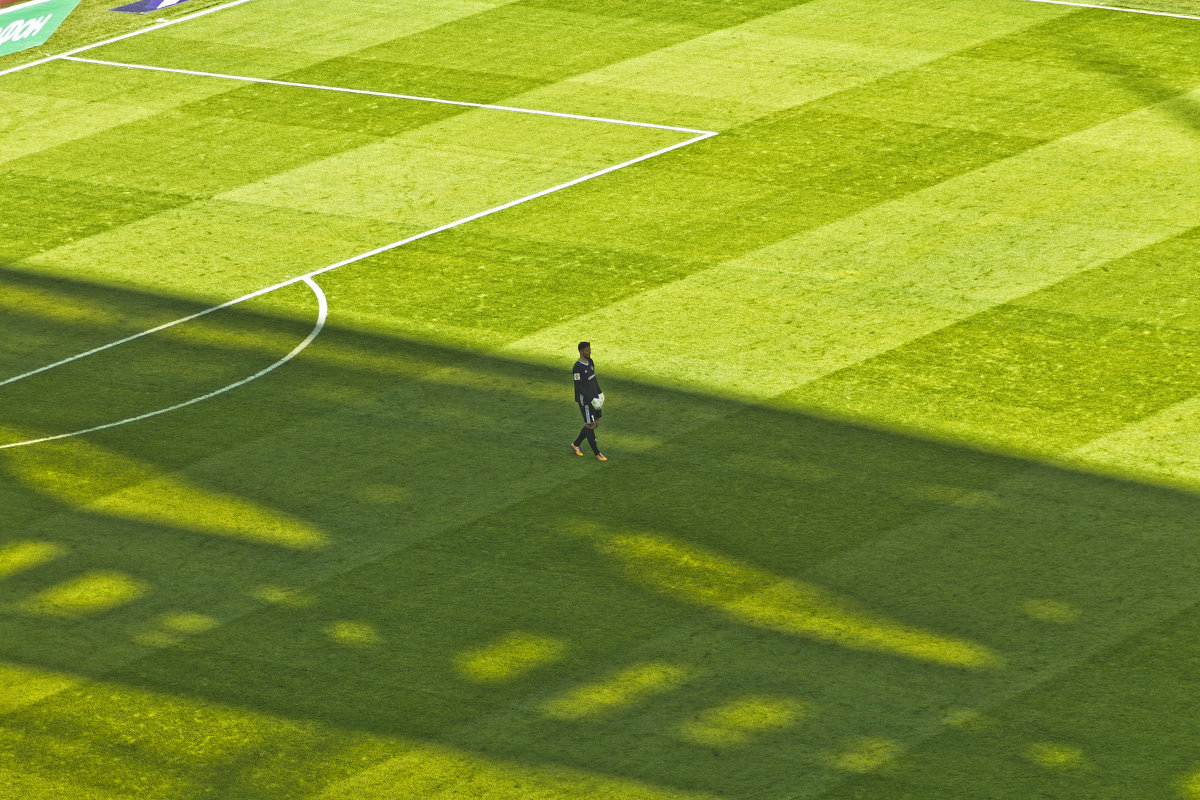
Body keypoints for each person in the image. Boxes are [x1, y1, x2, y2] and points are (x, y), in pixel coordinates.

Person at [570, 341, 607, 461]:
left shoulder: (590, 362)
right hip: (586, 401)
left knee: (595, 423)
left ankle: (575, 444)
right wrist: (591, 399)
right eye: (586, 350)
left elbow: (593, 379)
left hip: (595, 398)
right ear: (580, 351)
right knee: (590, 425)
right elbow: (579, 387)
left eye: (589, 349)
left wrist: (600, 392)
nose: (589, 351)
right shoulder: (577, 367)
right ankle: (597, 453)